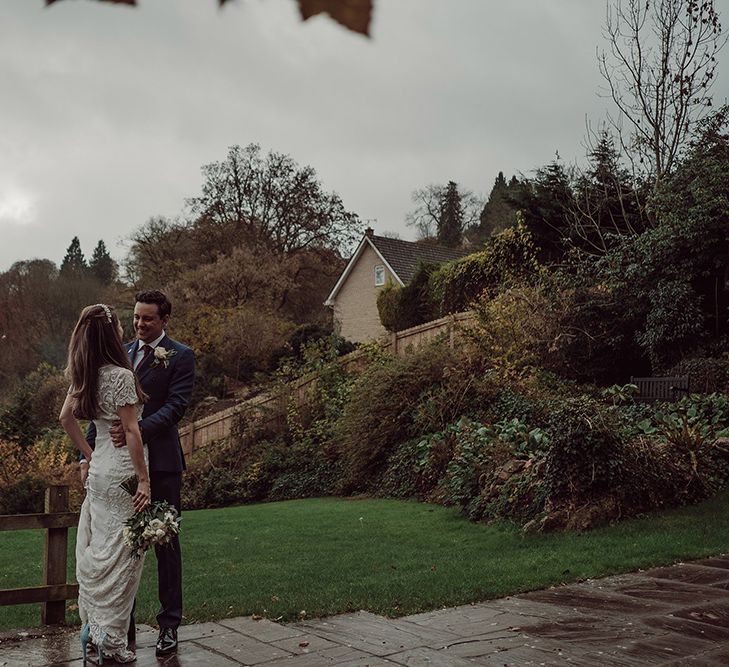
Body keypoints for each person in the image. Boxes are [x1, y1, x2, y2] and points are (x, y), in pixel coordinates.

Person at [82, 290, 195, 657]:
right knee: (120, 547)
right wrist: (91, 451)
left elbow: (177, 406)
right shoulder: (121, 353)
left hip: (161, 463)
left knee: (165, 545)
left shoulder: (180, 356)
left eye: (147, 318)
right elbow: (103, 409)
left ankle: (169, 626)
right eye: (136, 317)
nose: (140, 324)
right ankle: (120, 627)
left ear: (164, 320)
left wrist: (140, 431)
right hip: (117, 468)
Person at [59, 303, 150, 664]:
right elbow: (131, 430)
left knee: (102, 550)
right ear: (112, 333)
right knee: (126, 556)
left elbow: (65, 418)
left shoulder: (84, 374)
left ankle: (92, 632)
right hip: (123, 474)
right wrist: (143, 479)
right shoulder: (120, 376)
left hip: (98, 475)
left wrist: (88, 452)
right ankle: (109, 640)